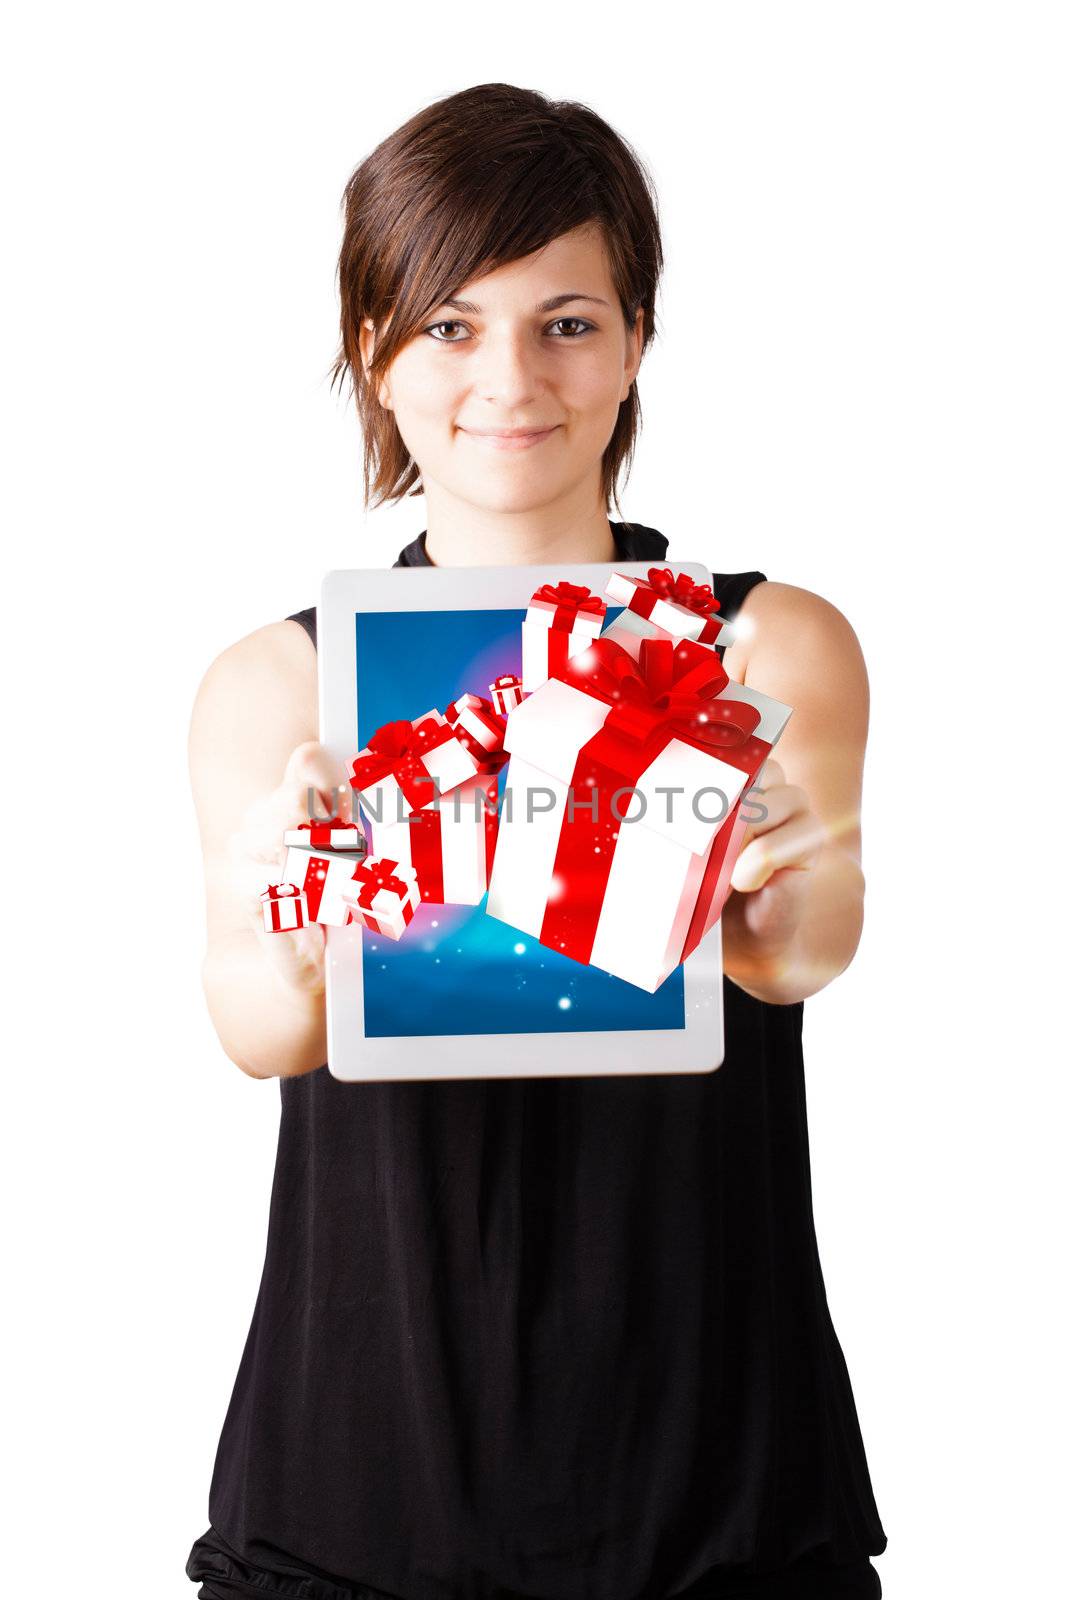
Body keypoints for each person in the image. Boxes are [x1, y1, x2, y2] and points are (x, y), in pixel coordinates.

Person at [185, 83, 887, 1600]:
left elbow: (805, 949)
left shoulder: (764, 642)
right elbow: (257, 1030)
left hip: (717, 1487)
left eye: (567, 321)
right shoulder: (282, 683)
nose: (509, 376)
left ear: (636, 345)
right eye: (446, 323)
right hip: (358, 1479)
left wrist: (771, 864)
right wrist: (284, 914)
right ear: (371, 353)